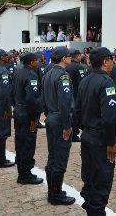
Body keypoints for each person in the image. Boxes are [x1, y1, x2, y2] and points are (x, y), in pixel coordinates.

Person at [75, 47, 116, 215]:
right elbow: (109, 117)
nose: (113, 62)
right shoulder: (107, 82)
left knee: (89, 176)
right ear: (105, 61)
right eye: (111, 59)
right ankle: (96, 211)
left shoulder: (85, 80)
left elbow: (77, 109)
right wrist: (111, 142)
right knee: (102, 179)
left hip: (87, 134)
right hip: (100, 138)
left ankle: (90, 205)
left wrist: (85, 127)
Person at [42, 46, 75, 205]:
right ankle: (55, 195)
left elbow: (44, 99)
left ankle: (53, 191)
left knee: (52, 155)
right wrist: (67, 125)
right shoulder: (63, 76)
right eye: (69, 56)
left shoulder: (47, 73)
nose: (71, 58)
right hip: (60, 119)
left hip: (51, 117)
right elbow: (65, 102)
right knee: (60, 158)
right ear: (63, 58)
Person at [13, 52, 44, 185]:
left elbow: (12, 92)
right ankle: (25, 175)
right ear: (31, 62)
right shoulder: (31, 74)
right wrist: (34, 117)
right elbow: (32, 99)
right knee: (28, 144)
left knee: (20, 143)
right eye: (36, 60)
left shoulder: (18, 72)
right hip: (26, 112)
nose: (38, 62)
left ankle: (22, 172)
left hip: (19, 110)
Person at [65, 49, 85, 142]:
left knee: (69, 113)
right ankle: (74, 134)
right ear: (77, 56)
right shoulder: (78, 67)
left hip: (67, 92)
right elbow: (82, 82)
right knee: (75, 114)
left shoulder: (66, 65)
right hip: (76, 94)